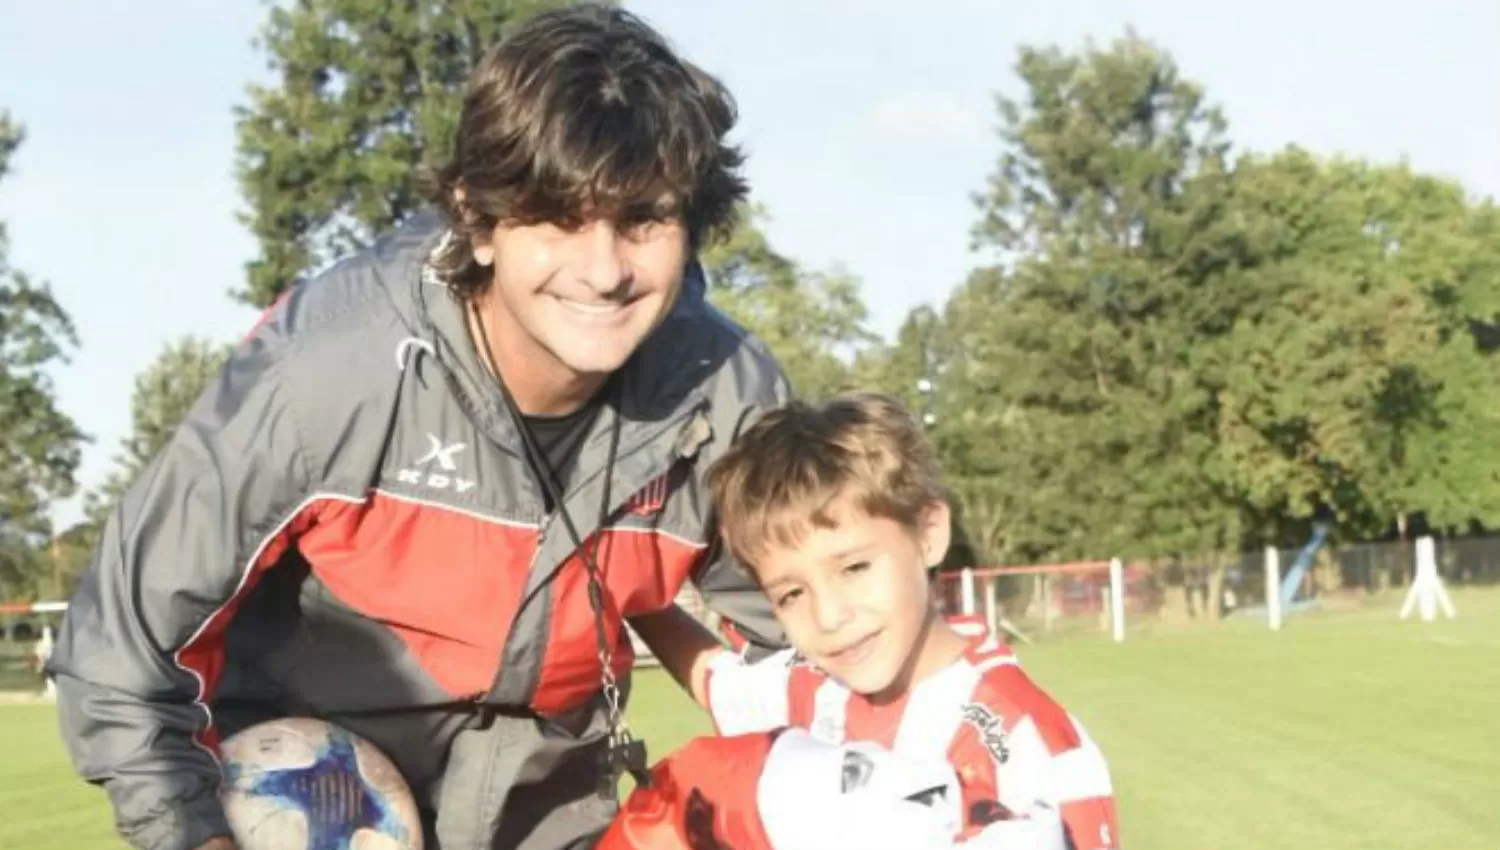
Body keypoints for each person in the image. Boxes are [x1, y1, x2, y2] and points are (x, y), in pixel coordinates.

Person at [47, 6, 790, 850]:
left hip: (555, 821)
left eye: (644, 219)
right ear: (478, 221)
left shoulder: (727, 399)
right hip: (304, 804)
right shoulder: (326, 367)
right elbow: (122, 648)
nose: (605, 269)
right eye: (557, 217)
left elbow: (811, 640)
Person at [623, 392, 1121, 849]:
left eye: (855, 568)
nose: (830, 615)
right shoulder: (810, 688)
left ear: (928, 533)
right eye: (791, 593)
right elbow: (715, 679)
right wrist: (621, 589)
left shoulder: (1033, 746)